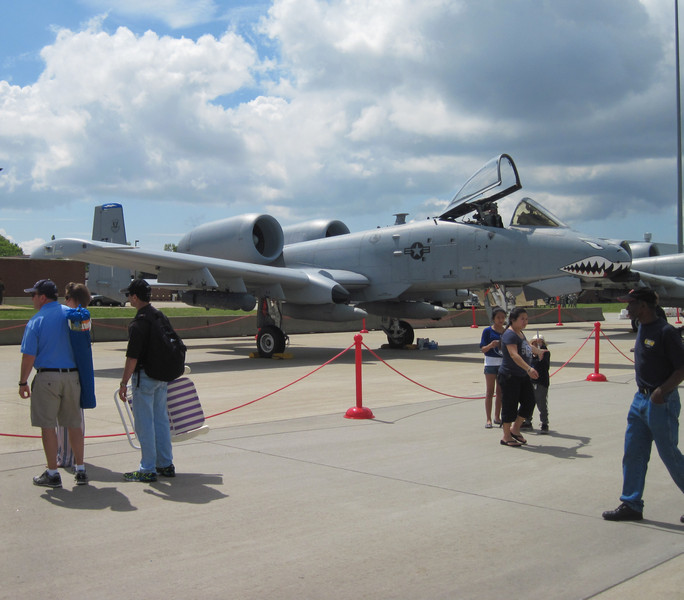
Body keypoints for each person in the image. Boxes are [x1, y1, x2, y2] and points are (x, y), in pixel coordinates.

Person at [603, 288, 684, 522]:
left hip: (661, 401)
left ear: (644, 306)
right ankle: (631, 503)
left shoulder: (666, 332)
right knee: (633, 453)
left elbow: (681, 368)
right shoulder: (642, 328)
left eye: (631, 304)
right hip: (640, 400)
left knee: (670, 455)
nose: (627, 308)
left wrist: (662, 391)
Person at [19, 279, 87, 487]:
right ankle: (81, 469)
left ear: (42, 297)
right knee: (74, 424)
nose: (31, 299)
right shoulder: (71, 314)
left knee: (48, 426)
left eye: (33, 295)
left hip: (48, 377)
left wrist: (23, 382)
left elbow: (29, 356)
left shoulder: (37, 320)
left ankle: (52, 473)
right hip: (72, 377)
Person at [118, 278, 175, 482]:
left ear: (135, 297)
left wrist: (124, 383)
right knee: (161, 421)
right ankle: (166, 464)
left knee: (144, 424)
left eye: (129, 296)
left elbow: (132, 357)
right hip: (161, 377)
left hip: (145, 378)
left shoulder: (139, 322)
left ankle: (147, 468)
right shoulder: (160, 316)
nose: (128, 299)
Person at [497, 307, 547, 447]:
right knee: (510, 405)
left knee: (530, 402)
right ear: (513, 320)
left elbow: (526, 347)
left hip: (521, 375)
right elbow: (514, 355)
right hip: (509, 376)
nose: (525, 321)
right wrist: (529, 368)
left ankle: (515, 429)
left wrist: (538, 351)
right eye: (522, 319)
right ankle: (506, 436)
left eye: (526, 319)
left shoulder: (520, 333)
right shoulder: (509, 334)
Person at [56, 282, 92, 469]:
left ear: (74, 299)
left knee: (66, 420)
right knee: (76, 418)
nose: (65, 301)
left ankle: (67, 456)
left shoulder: (74, 316)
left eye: (67, 298)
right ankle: (72, 455)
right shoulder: (85, 318)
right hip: (78, 373)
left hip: (69, 372)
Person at [479, 306, 506, 428]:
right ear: (493, 319)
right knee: (490, 391)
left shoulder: (506, 331)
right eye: (498, 317)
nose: (501, 320)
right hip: (490, 363)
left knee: (500, 392)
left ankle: (497, 416)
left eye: (502, 317)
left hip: (502, 363)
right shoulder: (487, 331)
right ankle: (488, 419)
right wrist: (491, 345)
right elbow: (483, 349)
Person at [530, 333, 550, 433]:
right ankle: (527, 421)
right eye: (534, 343)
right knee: (529, 402)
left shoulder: (545, 353)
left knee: (541, 404)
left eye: (538, 342)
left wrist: (540, 350)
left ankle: (544, 423)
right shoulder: (529, 353)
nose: (536, 345)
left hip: (541, 382)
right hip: (531, 381)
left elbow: (544, 365)